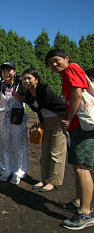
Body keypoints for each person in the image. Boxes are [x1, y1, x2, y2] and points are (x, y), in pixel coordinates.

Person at [45, 49, 94, 230]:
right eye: (50, 63)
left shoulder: (72, 68)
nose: (54, 65)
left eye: (56, 61)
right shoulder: (66, 74)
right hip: (78, 126)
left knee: (82, 168)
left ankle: (86, 213)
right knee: (77, 167)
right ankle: (80, 202)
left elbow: (77, 95)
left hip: (83, 126)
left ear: (66, 59)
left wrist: (69, 119)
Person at [22, 68, 67, 192]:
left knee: (56, 152)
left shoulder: (44, 91)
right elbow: (33, 105)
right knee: (45, 152)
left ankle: (53, 182)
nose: (26, 81)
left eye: (29, 78)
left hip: (58, 121)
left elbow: (57, 106)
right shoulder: (28, 94)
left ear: (36, 79)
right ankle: (43, 180)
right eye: (24, 79)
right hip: (45, 123)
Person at [0, 61, 28, 185]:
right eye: (4, 70)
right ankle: (5, 169)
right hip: (4, 116)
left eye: (9, 70)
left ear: (14, 71)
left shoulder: (20, 84)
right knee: (4, 144)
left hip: (17, 116)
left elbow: (28, 99)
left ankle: (18, 171)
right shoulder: (0, 84)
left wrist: (18, 97)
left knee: (19, 145)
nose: (6, 73)